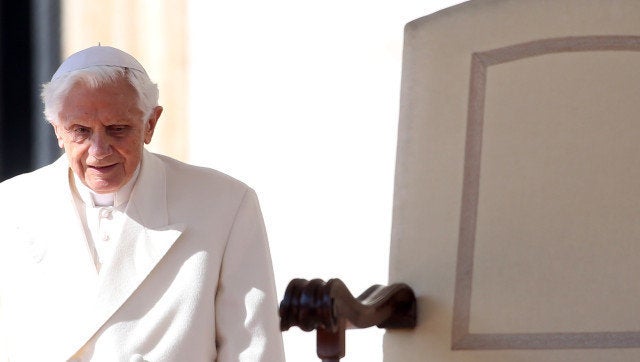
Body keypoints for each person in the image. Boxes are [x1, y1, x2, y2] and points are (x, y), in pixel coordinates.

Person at [0, 45, 285, 361]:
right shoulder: (10, 206)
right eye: (80, 131)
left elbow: (253, 349)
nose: (99, 149)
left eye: (117, 129)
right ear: (57, 130)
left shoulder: (225, 204)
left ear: (150, 123)